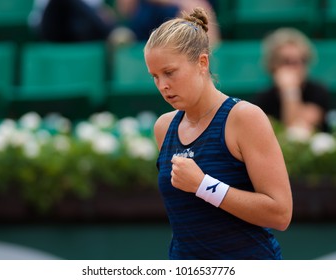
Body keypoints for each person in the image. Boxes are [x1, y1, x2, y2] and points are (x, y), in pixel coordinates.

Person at [143, 7, 292, 259]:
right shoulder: (164, 127)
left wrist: (203, 185)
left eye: (169, 72)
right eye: (155, 77)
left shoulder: (245, 117)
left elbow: (280, 214)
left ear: (202, 62)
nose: (163, 85)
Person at [252, 28, 331, 134]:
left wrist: (291, 91)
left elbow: (297, 129)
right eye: (287, 62)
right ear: (273, 65)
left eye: (301, 60)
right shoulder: (263, 99)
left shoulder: (318, 92)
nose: (296, 68)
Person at [114, 0, 220, 45]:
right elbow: (124, 11)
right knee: (120, 36)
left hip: (179, 36)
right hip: (141, 36)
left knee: (195, 10)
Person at [28, 0, 117, 42]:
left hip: (78, 28)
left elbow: (95, 9)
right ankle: (110, 32)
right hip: (52, 28)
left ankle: (110, 31)